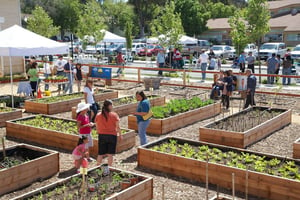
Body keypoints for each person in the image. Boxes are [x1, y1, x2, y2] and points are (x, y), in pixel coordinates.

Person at [95, 100, 121, 166]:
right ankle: (109, 168)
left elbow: (97, 126)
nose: (112, 106)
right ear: (109, 106)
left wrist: (99, 132)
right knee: (110, 154)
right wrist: (120, 135)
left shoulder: (98, 115)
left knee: (100, 153)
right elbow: (118, 127)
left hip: (102, 135)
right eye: (112, 105)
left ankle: (97, 166)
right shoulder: (114, 115)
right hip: (112, 136)